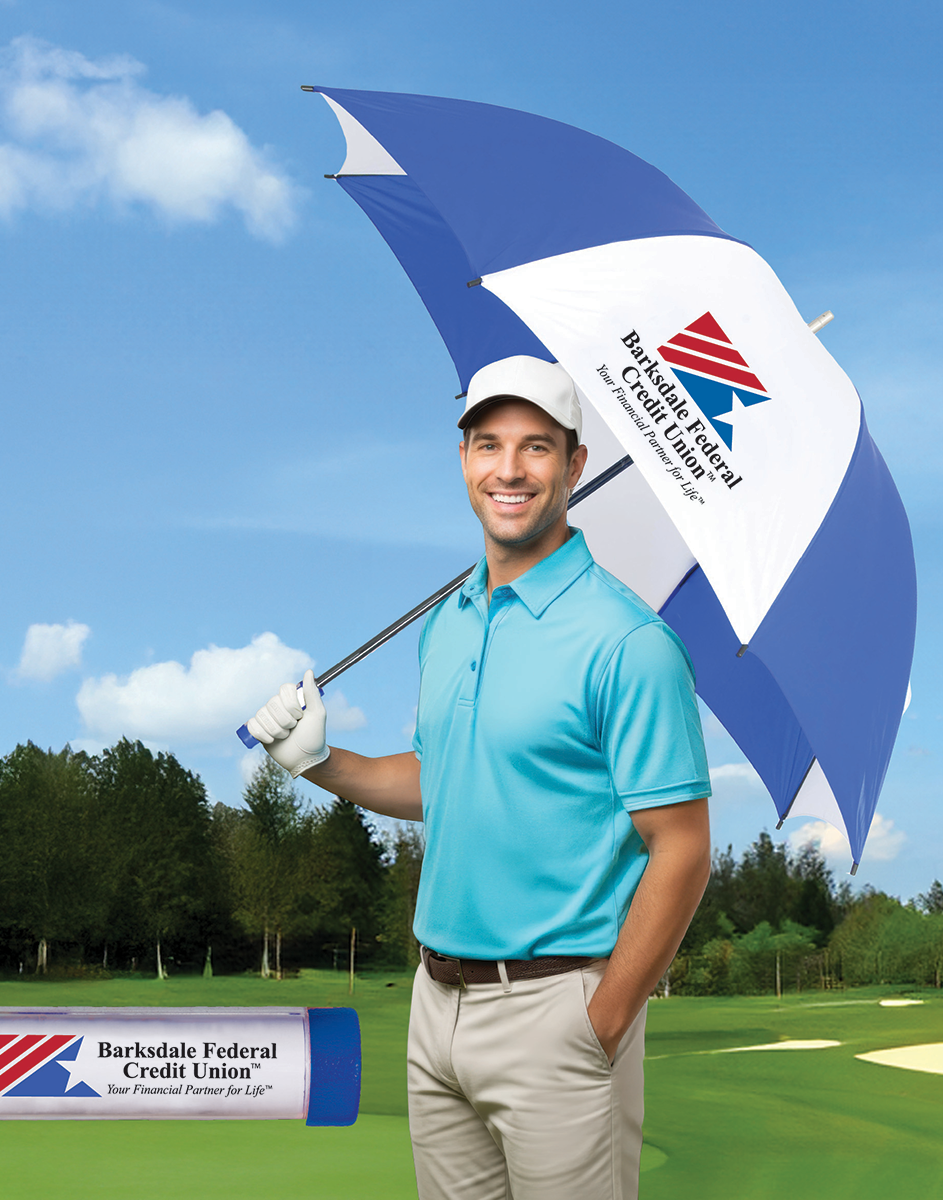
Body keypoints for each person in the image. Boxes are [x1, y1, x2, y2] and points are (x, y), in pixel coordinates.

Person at [247, 355, 711, 1200]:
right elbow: (441, 781)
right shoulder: (447, 623)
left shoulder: (628, 643)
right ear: (463, 456)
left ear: (574, 466)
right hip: (437, 1003)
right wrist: (321, 762)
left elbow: (681, 850)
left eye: (537, 448)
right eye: (488, 443)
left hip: (558, 1010)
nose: (509, 470)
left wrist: (600, 1024)